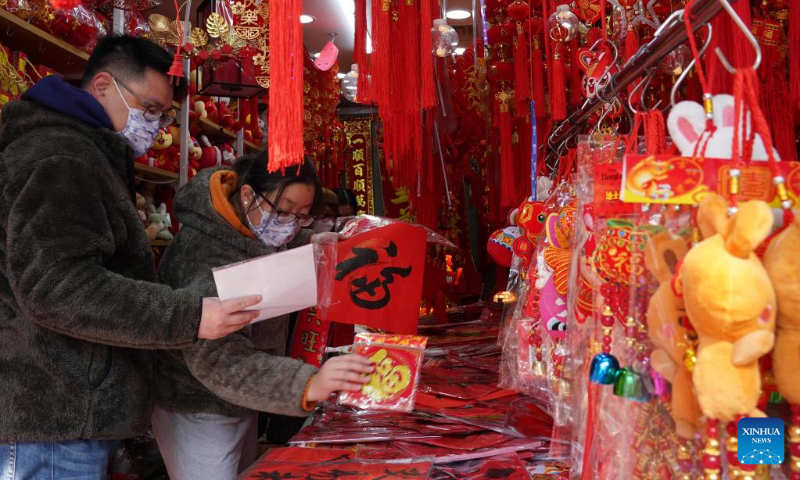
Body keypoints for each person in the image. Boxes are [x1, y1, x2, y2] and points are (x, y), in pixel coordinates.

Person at [0, 35, 260, 478]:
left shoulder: (82, 151)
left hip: (63, 407)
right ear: (103, 84)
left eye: (163, 114)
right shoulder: (63, 156)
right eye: (150, 109)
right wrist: (189, 316)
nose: (156, 126)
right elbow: (57, 286)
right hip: (54, 411)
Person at [152, 154, 374, 479]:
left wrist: (311, 242)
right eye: (284, 211)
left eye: (302, 216)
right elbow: (220, 360)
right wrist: (307, 383)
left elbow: (272, 241)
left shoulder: (251, 224)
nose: (289, 225)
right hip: (198, 404)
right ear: (246, 195)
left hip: (246, 395)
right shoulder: (202, 255)